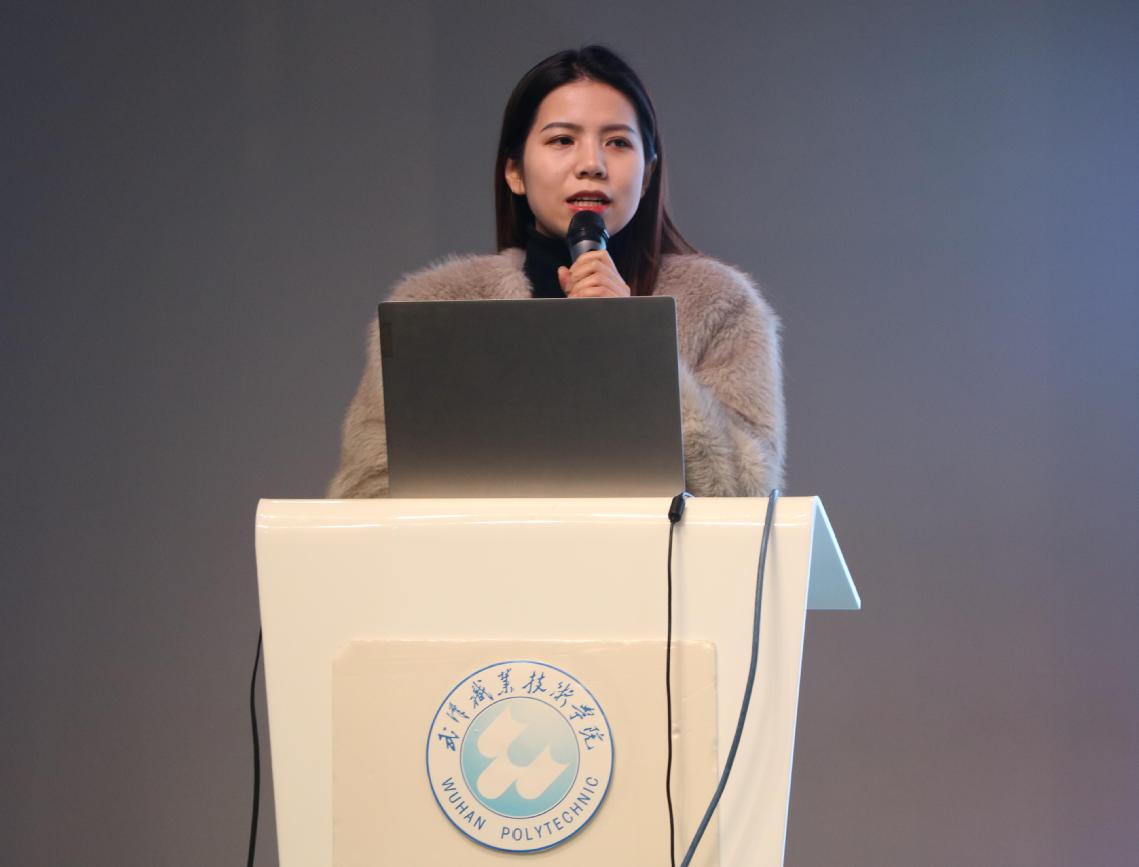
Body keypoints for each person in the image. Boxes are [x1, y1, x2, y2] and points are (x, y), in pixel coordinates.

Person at [328, 45, 785, 498]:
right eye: (563, 140)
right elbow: (365, 492)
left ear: (646, 175)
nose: (592, 165)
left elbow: (749, 495)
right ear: (515, 172)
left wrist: (633, 343)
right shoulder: (432, 307)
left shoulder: (719, 304)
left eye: (618, 142)